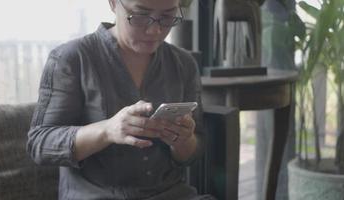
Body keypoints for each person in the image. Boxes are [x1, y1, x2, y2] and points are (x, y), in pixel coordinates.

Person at [27, 0, 216, 199]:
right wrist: (107, 130)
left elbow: (193, 153)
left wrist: (183, 140)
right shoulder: (72, 58)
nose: (155, 30)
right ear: (113, 3)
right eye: (141, 15)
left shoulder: (184, 63)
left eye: (167, 17)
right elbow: (40, 144)